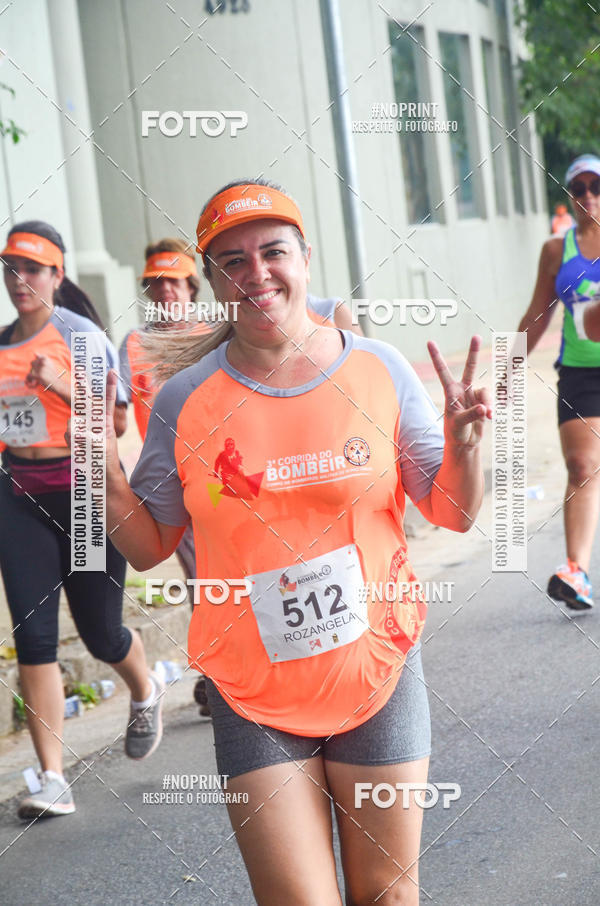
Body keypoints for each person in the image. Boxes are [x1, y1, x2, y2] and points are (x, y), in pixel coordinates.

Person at [104, 178, 490, 905]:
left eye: (272, 252)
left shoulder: (377, 370)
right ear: (214, 280)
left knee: (388, 895)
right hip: (251, 692)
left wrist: (468, 446)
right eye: (233, 262)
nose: (257, 274)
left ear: (305, 258)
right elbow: (149, 546)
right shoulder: (187, 398)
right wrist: (103, 475)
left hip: (375, 673)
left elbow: (454, 512)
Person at [0, 221, 165, 821]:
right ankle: (51, 778)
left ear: (56, 275)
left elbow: (115, 425)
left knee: (100, 635)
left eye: (34, 269)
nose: (21, 280)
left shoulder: (82, 336)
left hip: (86, 497)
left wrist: (60, 383)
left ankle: (143, 684)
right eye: (11, 268)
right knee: (34, 640)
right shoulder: (0, 346)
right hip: (19, 499)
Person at [518, 153, 600, 609]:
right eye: (579, 188)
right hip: (581, 371)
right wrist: (505, 368)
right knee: (582, 467)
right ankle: (577, 572)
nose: (588, 195)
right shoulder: (556, 250)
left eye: (596, 185)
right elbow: (536, 316)